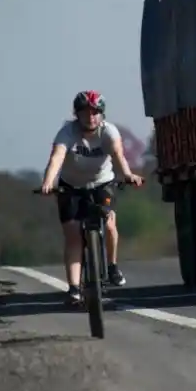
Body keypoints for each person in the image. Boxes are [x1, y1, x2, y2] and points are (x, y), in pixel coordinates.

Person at [39, 90, 144, 303]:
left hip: (101, 184)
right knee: (73, 235)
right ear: (77, 114)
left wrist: (128, 175)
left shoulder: (109, 132)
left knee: (110, 222)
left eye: (96, 112)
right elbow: (57, 158)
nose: (91, 117)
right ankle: (74, 288)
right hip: (71, 187)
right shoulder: (67, 133)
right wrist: (48, 182)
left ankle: (112, 267)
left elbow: (118, 156)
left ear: (102, 114)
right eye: (86, 112)